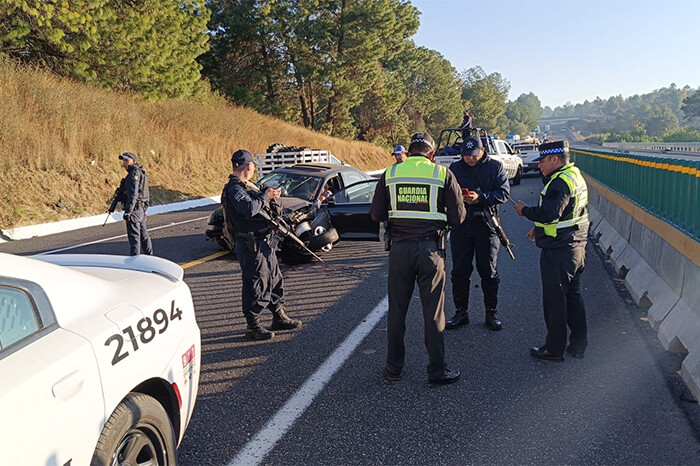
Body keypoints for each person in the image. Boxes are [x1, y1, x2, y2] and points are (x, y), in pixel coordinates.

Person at [370, 132, 466, 385]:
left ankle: (393, 368)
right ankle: (437, 370)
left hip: (400, 250)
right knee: (433, 311)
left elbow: (376, 214)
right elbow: (458, 218)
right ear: (431, 153)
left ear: (409, 151)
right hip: (430, 250)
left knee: (397, 310)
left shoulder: (391, 173)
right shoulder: (442, 174)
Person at [512, 140, 589, 361]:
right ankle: (578, 345)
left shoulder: (559, 182)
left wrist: (524, 210)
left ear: (555, 159)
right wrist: (539, 230)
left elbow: (551, 213)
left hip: (560, 251)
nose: (539, 166)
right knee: (573, 296)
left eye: (543, 161)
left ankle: (553, 349)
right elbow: (568, 213)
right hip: (576, 244)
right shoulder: (574, 174)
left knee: (555, 301)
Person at [222, 149, 302, 341]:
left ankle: (278, 315)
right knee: (255, 283)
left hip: (265, 242)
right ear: (249, 166)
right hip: (250, 244)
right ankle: (253, 325)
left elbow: (261, 205)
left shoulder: (249, 186)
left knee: (274, 279)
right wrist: (266, 195)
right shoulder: (235, 189)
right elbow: (249, 209)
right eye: (253, 167)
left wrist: (271, 196)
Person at [445, 137, 509, 331]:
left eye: (473, 155)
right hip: (461, 226)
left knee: (488, 272)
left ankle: (491, 312)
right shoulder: (454, 169)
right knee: (459, 272)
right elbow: (444, 193)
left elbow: (504, 193)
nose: (469, 159)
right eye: (466, 155)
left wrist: (480, 198)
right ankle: (460, 312)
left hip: (486, 226)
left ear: (482, 152)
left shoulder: (495, 167)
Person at [118, 152, 153, 256]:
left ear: (134, 161)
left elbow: (133, 194)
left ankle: (135, 261)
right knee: (143, 235)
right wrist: (144, 210)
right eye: (123, 160)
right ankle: (149, 257)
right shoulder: (141, 172)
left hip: (135, 209)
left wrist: (128, 211)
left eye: (126, 160)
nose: (124, 163)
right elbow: (145, 194)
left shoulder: (134, 174)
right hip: (140, 209)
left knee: (135, 237)